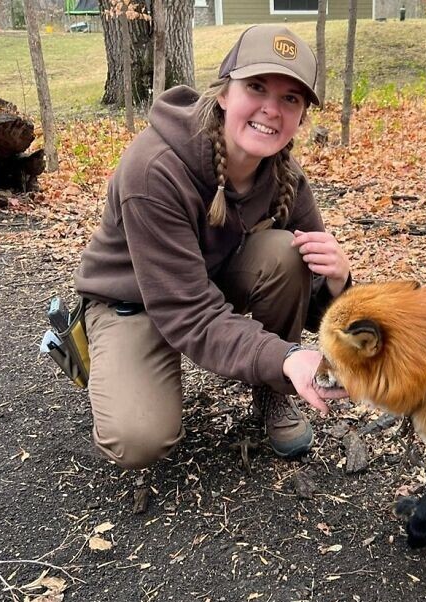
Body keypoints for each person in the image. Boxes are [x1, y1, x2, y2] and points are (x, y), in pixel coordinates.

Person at [74, 24, 351, 470]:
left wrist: (339, 282)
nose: (271, 109)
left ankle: (271, 396)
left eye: (290, 99)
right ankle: (98, 352)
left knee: (287, 254)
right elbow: (187, 312)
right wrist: (286, 356)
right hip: (134, 299)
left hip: (206, 284)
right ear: (224, 93)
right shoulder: (154, 170)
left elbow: (314, 306)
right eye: (256, 87)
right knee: (139, 440)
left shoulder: (286, 178)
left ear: (301, 117)